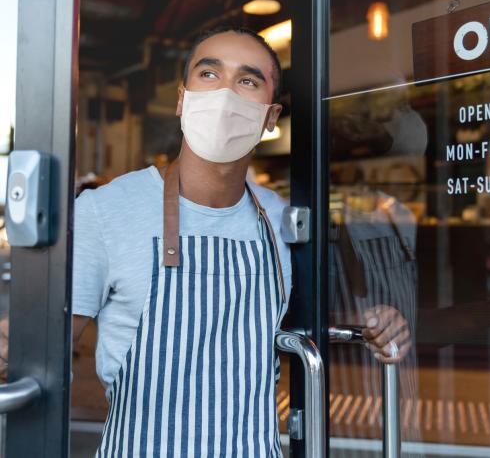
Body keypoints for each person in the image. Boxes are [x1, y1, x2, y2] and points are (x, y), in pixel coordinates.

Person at [0, 26, 410, 456]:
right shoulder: (105, 210)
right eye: (209, 75)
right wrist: (15, 346)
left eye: (247, 81)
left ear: (270, 118)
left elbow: (330, 317)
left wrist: (380, 325)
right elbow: (53, 343)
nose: (225, 95)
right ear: (183, 100)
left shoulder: (281, 219)